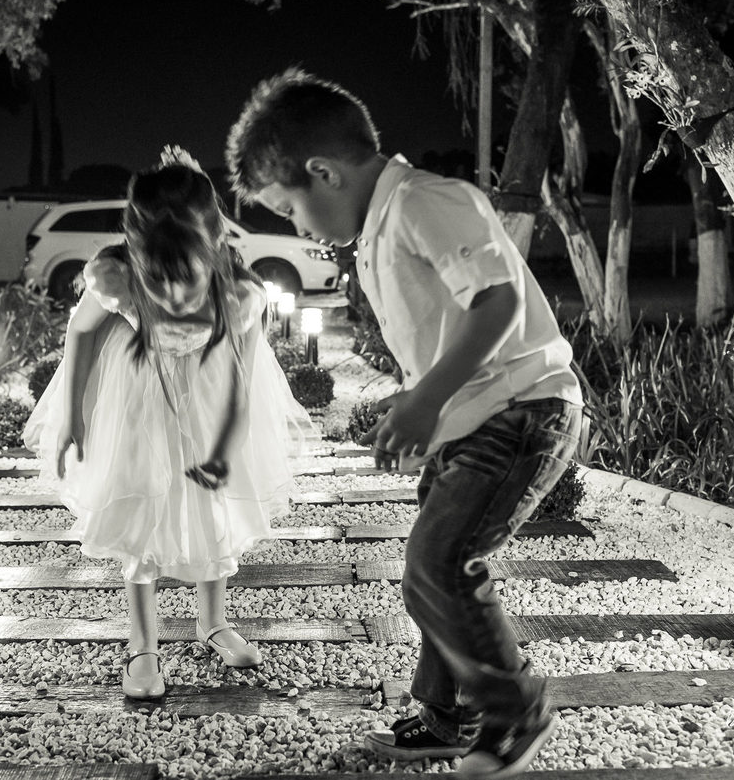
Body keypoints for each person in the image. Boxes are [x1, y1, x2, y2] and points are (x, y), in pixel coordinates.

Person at [226, 70, 583, 778]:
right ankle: (447, 716)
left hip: (522, 409)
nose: (297, 228)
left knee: (438, 564)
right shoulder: (380, 229)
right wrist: (417, 402)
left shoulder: (425, 200)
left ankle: (516, 710)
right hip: (473, 419)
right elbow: (443, 330)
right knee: (430, 573)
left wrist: (426, 401)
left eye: (288, 209)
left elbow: (499, 302)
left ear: (323, 172)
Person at [24, 147, 315, 700]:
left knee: (213, 505)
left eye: (188, 279)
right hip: (138, 401)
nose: (175, 296)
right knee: (141, 506)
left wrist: (225, 447)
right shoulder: (114, 276)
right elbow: (81, 332)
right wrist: (72, 415)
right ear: (136, 252)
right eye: (159, 279)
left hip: (209, 402)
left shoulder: (240, 294)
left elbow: (242, 380)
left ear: (213, 248)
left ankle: (212, 620)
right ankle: (143, 644)